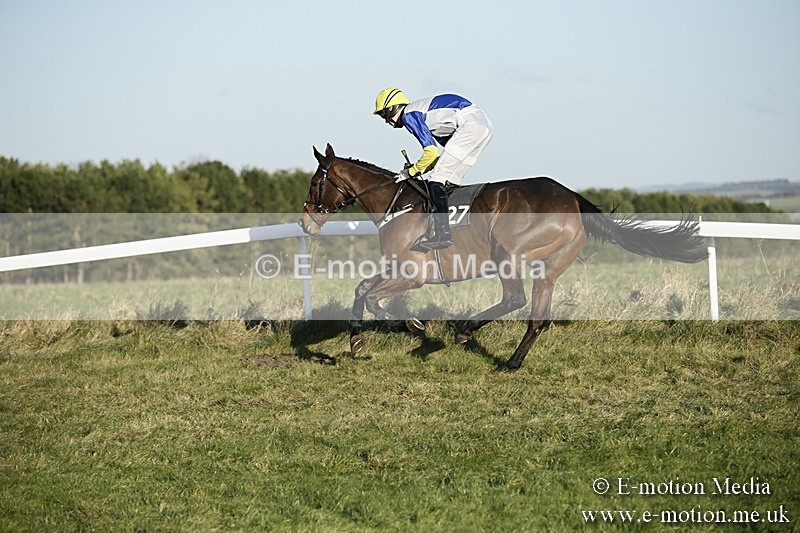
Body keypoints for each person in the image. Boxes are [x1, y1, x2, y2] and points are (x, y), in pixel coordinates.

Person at [373, 87, 493, 250]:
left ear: (391, 108)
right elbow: (437, 158)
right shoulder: (428, 118)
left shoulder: (409, 115)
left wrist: (410, 172)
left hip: (469, 125)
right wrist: (419, 170)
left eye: (383, 115)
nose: (386, 121)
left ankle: (443, 234)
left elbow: (431, 152)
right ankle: (457, 230)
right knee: (447, 182)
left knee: (437, 180)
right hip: (483, 126)